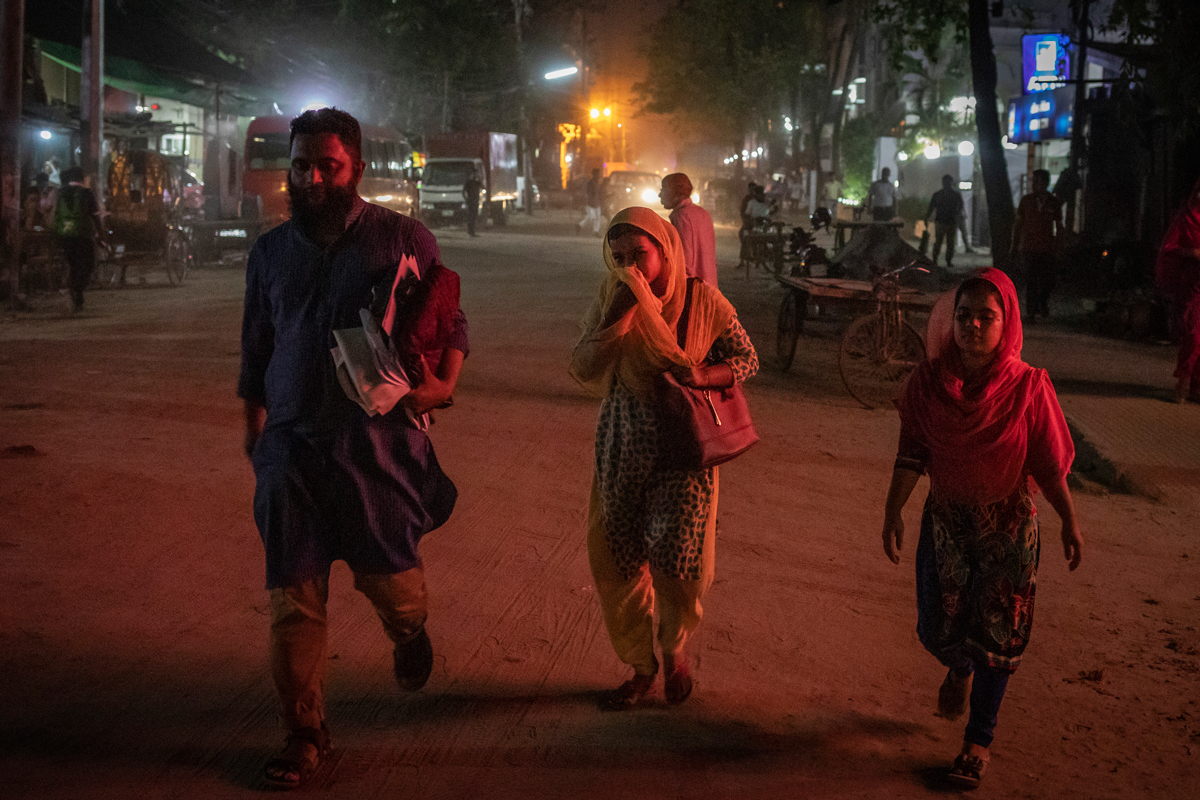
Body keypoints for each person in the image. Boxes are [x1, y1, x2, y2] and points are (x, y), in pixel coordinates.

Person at [238, 108, 469, 790]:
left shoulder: (400, 239)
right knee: (293, 598)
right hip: (289, 451)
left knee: (391, 585)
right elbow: (257, 348)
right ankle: (305, 731)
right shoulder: (269, 254)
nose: (310, 178)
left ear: (357, 169)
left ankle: (409, 631)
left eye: (327, 166)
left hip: (376, 451)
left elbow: (450, 319)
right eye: (301, 165)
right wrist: (256, 432)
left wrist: (439, 388)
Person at [881, 268, 1083, 789]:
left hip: (1009, 526)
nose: (972, 326)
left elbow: (1048, 464)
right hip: (946, 521)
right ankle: (959, 668)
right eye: (964, 315)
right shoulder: (927, 384)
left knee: (1001, 637)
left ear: (1006, 322)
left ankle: (978, 740)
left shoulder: (1030, 387)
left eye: (985, 317)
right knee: (936, 627)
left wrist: (1069, 522)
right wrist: (893, 511)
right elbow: (912, 452)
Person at [569, 207, 759, 710]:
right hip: (622, 442)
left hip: (684, 447)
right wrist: (618, 317)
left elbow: (746, 359)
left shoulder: (703, 302)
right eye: (620, 258)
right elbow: (584, 364)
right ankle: (640, 665)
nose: (631, 267)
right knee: (619, 559)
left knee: (679, 561)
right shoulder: (610, 298)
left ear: (666, 251)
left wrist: (704, 376)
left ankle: (674, 648)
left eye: (641, 256)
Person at [1155, 177, 1200, 403]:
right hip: (1192, 285)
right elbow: (1169, 247)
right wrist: (1191, 253)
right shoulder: (1187, 217)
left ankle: (1196, 386)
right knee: (1193, 333)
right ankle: (1183, 381)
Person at [53, 166, 106, 313]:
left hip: (65, 236)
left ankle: (75, 293)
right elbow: (95, 216)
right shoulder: (87, 193)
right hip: (83, 236)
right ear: (82, 178)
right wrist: (101, 236)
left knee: (74, 264)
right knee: (87, 265)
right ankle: (76, 290)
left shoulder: (61, 193)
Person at [1013, 169, 1063, 322]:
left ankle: (1042, 301)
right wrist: (1015, 245)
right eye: (1033, 181)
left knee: (1049, 280)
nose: (1034, 184)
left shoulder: (1053, 202)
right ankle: (1031, 312)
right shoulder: (1026, 201)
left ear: (1045, 183)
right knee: (1031, 280)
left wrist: (1060, 244)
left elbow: (1059, 225)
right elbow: (1019, 224)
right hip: (1029, 246)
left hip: (1047, 247)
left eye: (1037, 181)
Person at [659, 172, 717, 286]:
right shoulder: (703, 213)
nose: (660, 195)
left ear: (676, 192)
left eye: (663, 189)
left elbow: (685, 261)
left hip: (692, 289)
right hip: (709, 285)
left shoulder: (682, 216)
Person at [926, 175, 965, 267]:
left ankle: (937, 260)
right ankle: (945, 261)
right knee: (947, 243)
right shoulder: (955, 195)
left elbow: (931, 207)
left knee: (941, 242)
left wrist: (927, 217)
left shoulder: (938, 194)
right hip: (948, 221)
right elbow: (960, 207)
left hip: (944, 221)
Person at [578, 168, 603, 236]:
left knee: (598, 217)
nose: (598, 175)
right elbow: (588, 192)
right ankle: (580, 225)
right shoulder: (590, 183)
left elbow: (600, 192)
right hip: (591, 202)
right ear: (594, 174)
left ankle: (596, 231)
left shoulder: (599, 182)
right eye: (597, 174)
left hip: (597, 202)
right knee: (590, 217)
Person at [462, 169, 483, 237]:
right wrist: (466, 199)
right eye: (475, 174)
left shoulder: (477, 182)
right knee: (471, 216)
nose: (476, 175)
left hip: (475, 201)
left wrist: (479, 179)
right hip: (471, 202)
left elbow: (483, 187)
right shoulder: (469, 182)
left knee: (474, 216)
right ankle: (470, 231)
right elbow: (463, 191)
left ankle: (472, 231)